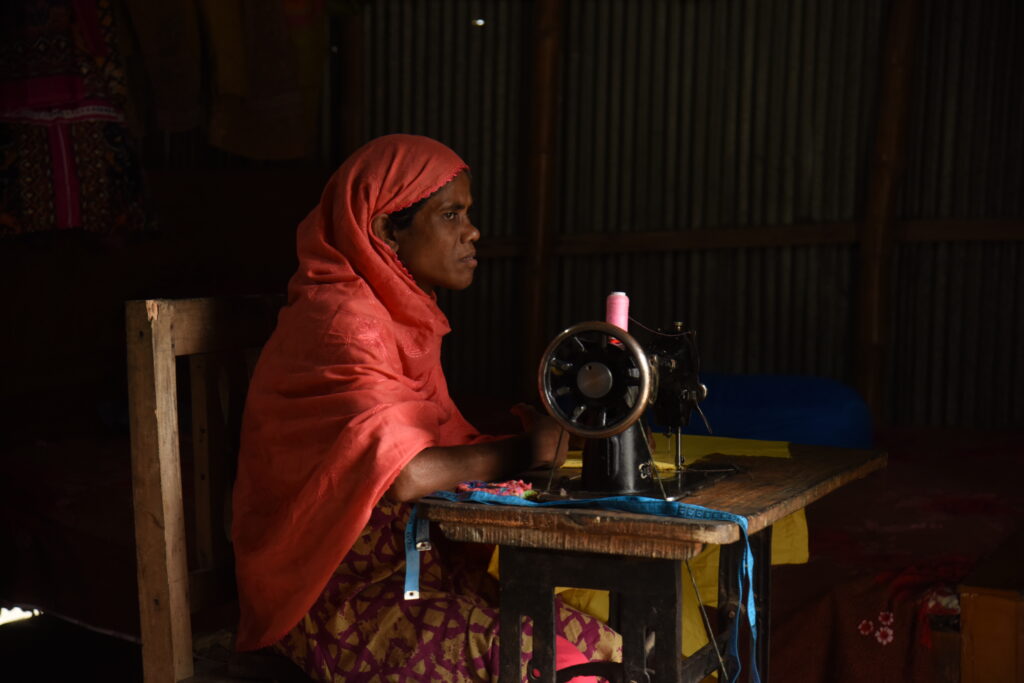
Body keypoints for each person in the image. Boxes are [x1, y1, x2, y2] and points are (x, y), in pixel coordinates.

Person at [231, 134, 621, 681]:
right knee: (550, 666)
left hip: (416, 576)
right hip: (333, 600)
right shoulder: (345, 320)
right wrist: (525, 449)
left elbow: (422, 440)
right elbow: (407, 473)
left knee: (607, 647)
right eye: (450, 214)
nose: (472, 231)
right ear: (385, 230)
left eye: (468, 213)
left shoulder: (400, 315)